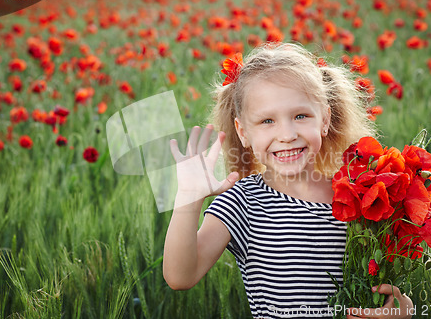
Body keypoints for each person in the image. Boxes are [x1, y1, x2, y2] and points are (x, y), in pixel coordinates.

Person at [163, 42, 413, 319]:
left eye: (301, 116)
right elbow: (180, 276)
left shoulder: (358, 195)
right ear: (242, 131)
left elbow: (386, 281)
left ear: (325, 119)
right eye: (267, 121)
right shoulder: (242, 202)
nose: (287, 134)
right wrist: (188, 197)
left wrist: (401, 310)